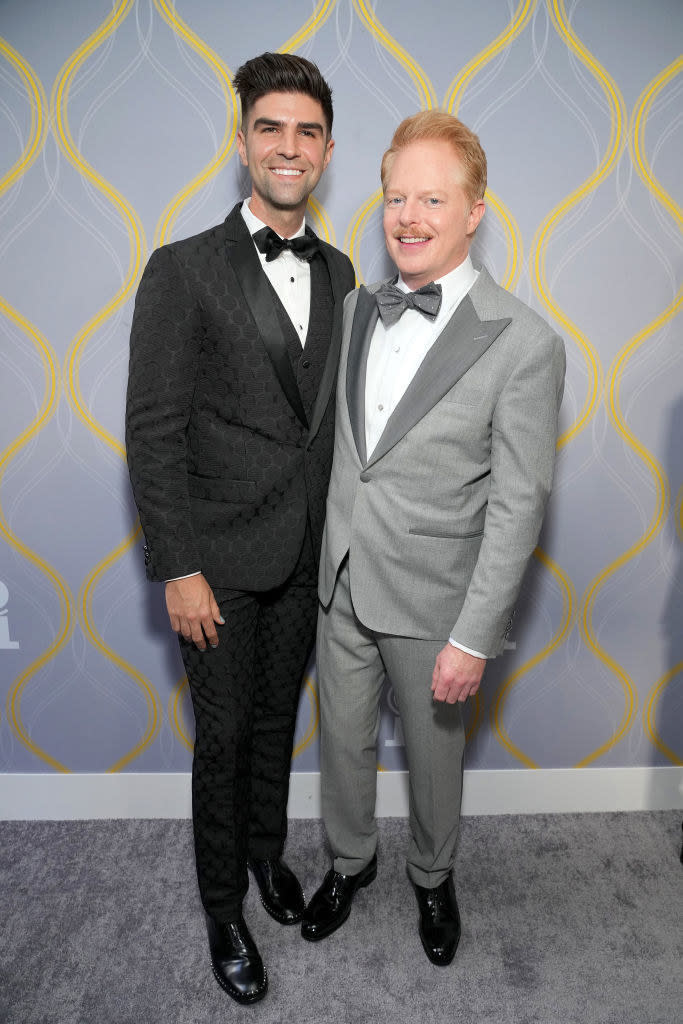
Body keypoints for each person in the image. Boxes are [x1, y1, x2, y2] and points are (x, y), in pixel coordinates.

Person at [301, 110, 565, 965]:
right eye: (394, 197)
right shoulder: (351, 310)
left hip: (437, 602)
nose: (408, 216)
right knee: (339, 744)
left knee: (433, 762)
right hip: (341, 581)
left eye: (431, 199)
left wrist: (472, 636)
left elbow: (519, 505)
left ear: (473, 210)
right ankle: (349, 860)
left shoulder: (523, 343)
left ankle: (431, 874)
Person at [125, 52, 354, 1004]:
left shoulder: (340, 270)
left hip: (305, 555)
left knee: (275, 722)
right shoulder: (181, 270)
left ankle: (265, 858)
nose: (287, 147)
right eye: (270, 128)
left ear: (327, 150)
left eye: (306, 131)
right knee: (219, 740)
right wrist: (174, 567)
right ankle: (222, 906)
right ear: (243, 142)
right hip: (213, 563)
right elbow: (154, 429)